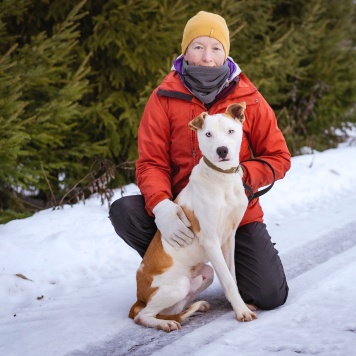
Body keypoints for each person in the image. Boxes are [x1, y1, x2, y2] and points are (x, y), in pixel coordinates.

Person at [109, 11, 290, 310]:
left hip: (236, 211)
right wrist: (162, 206)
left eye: (216, 47)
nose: (207, 57)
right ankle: (182, 268)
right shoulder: (164, 98)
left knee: (270, 295)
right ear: (185, 51)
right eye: (198, 46)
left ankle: (224, 266)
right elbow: (150, 162)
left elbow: (279, 157)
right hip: (186, 210)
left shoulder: (250, 99)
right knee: (125, 210)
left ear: (225, 53)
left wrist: (241, 176)